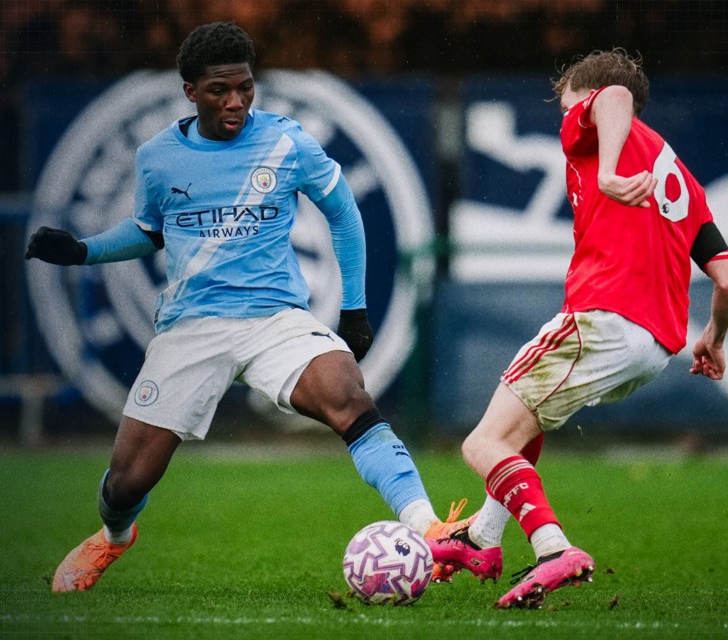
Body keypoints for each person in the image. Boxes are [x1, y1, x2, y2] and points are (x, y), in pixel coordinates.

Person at [25, 21, 475, 592]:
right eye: (219, 90)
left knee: (347, 392)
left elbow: (343, 213)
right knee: (126, 482)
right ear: (190, 90)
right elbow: (149, 230)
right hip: (191, 327)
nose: (235, 101)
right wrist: (82, 251)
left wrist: (355, 310)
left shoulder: (287, 142)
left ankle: (428, 527)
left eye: (245, 87)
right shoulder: (158, 157)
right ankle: (114, 538)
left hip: (275, 320)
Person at [428, 49, 728, 609]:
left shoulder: (595, 130)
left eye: (569, 104)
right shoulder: (684, 182)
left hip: (605, 318)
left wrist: (605, 169)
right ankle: (483, 538)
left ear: (585, 95)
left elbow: (615, 97)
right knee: (525, 425)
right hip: (654, 348)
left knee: (481, 442)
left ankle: (554, 550)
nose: (566, 118)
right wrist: (715, 339)